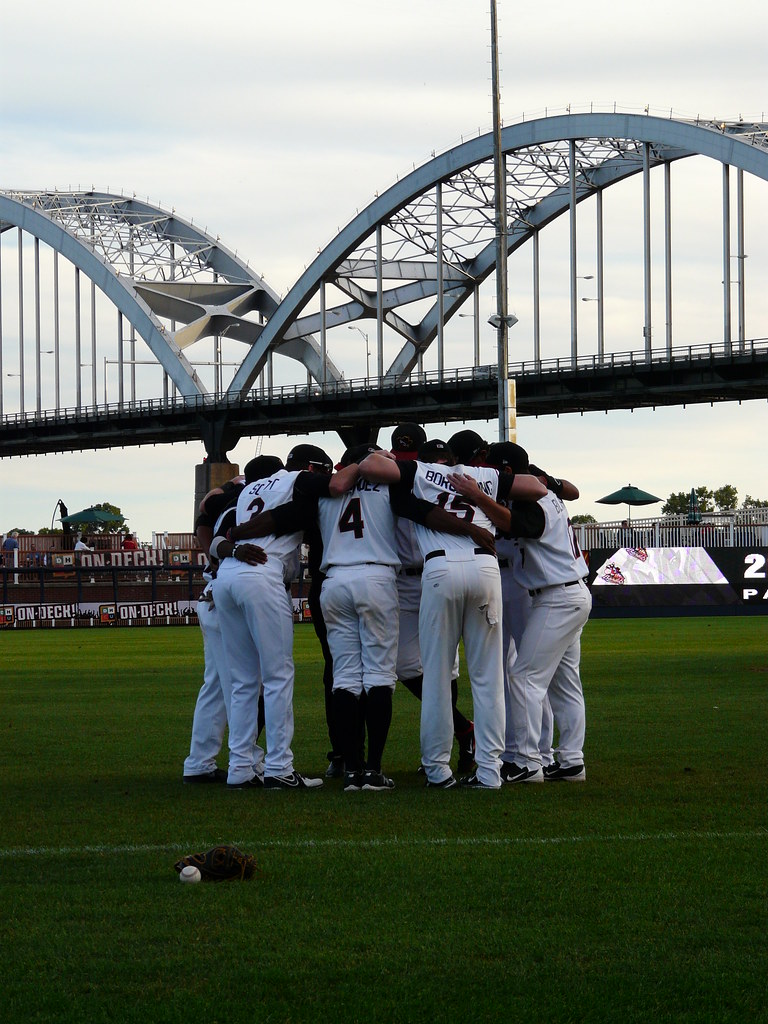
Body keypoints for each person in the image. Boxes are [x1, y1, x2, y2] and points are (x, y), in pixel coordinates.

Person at [358, 441, 546, 789]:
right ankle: (489, 771)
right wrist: (478, 492)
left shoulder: (417, 471)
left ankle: (437, 770)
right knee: (489, 679)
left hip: (441, 567)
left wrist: (391, 458)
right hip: (486, 568)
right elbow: (537, 487)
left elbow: (370, 467)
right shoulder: (481, 474)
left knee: (437, 677)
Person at [211, 443, 352, 790]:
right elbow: (336, 487)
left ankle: (240, 767)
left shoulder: (248, 489)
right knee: (277, 676)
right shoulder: (298, 479)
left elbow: (215, 522)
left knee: (244, 681)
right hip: (262, 570)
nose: (324, 476)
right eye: (321, 468)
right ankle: (279, 767)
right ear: (308, 466)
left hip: (227, 575)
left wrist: (232, 541)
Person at [449, 442, 591, 783]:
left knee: (524, 677)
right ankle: (572, 760)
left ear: (508, 471)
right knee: (564, 683)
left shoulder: (536, 499)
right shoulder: (541, 489)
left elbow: (520, 526)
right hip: (569, 593)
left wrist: (479, 497)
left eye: (497, 471)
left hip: (556, 597)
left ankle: (527, 763)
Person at [390, 424, 476, 774]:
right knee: (403, 664)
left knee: (448, 665)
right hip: (402, 580)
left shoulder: (450, 481)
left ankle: (450, 744)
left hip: (437, 572)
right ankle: (461, 728)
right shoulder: (390, 475)